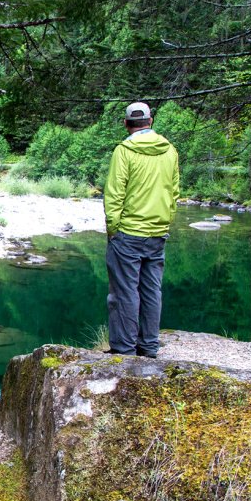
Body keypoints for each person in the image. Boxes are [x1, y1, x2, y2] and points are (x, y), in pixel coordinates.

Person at [103, 102, 179, 357]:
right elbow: (174, 192)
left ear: (126, 124)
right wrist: (166, 222)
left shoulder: (124, 151)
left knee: (124, 292)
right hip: (158, 232)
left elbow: (114, 194)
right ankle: (148, 347)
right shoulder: (169, 150)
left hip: (128, 233)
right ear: (151, 120)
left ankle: (123, 350)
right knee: (151, 291)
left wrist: (113, 229)